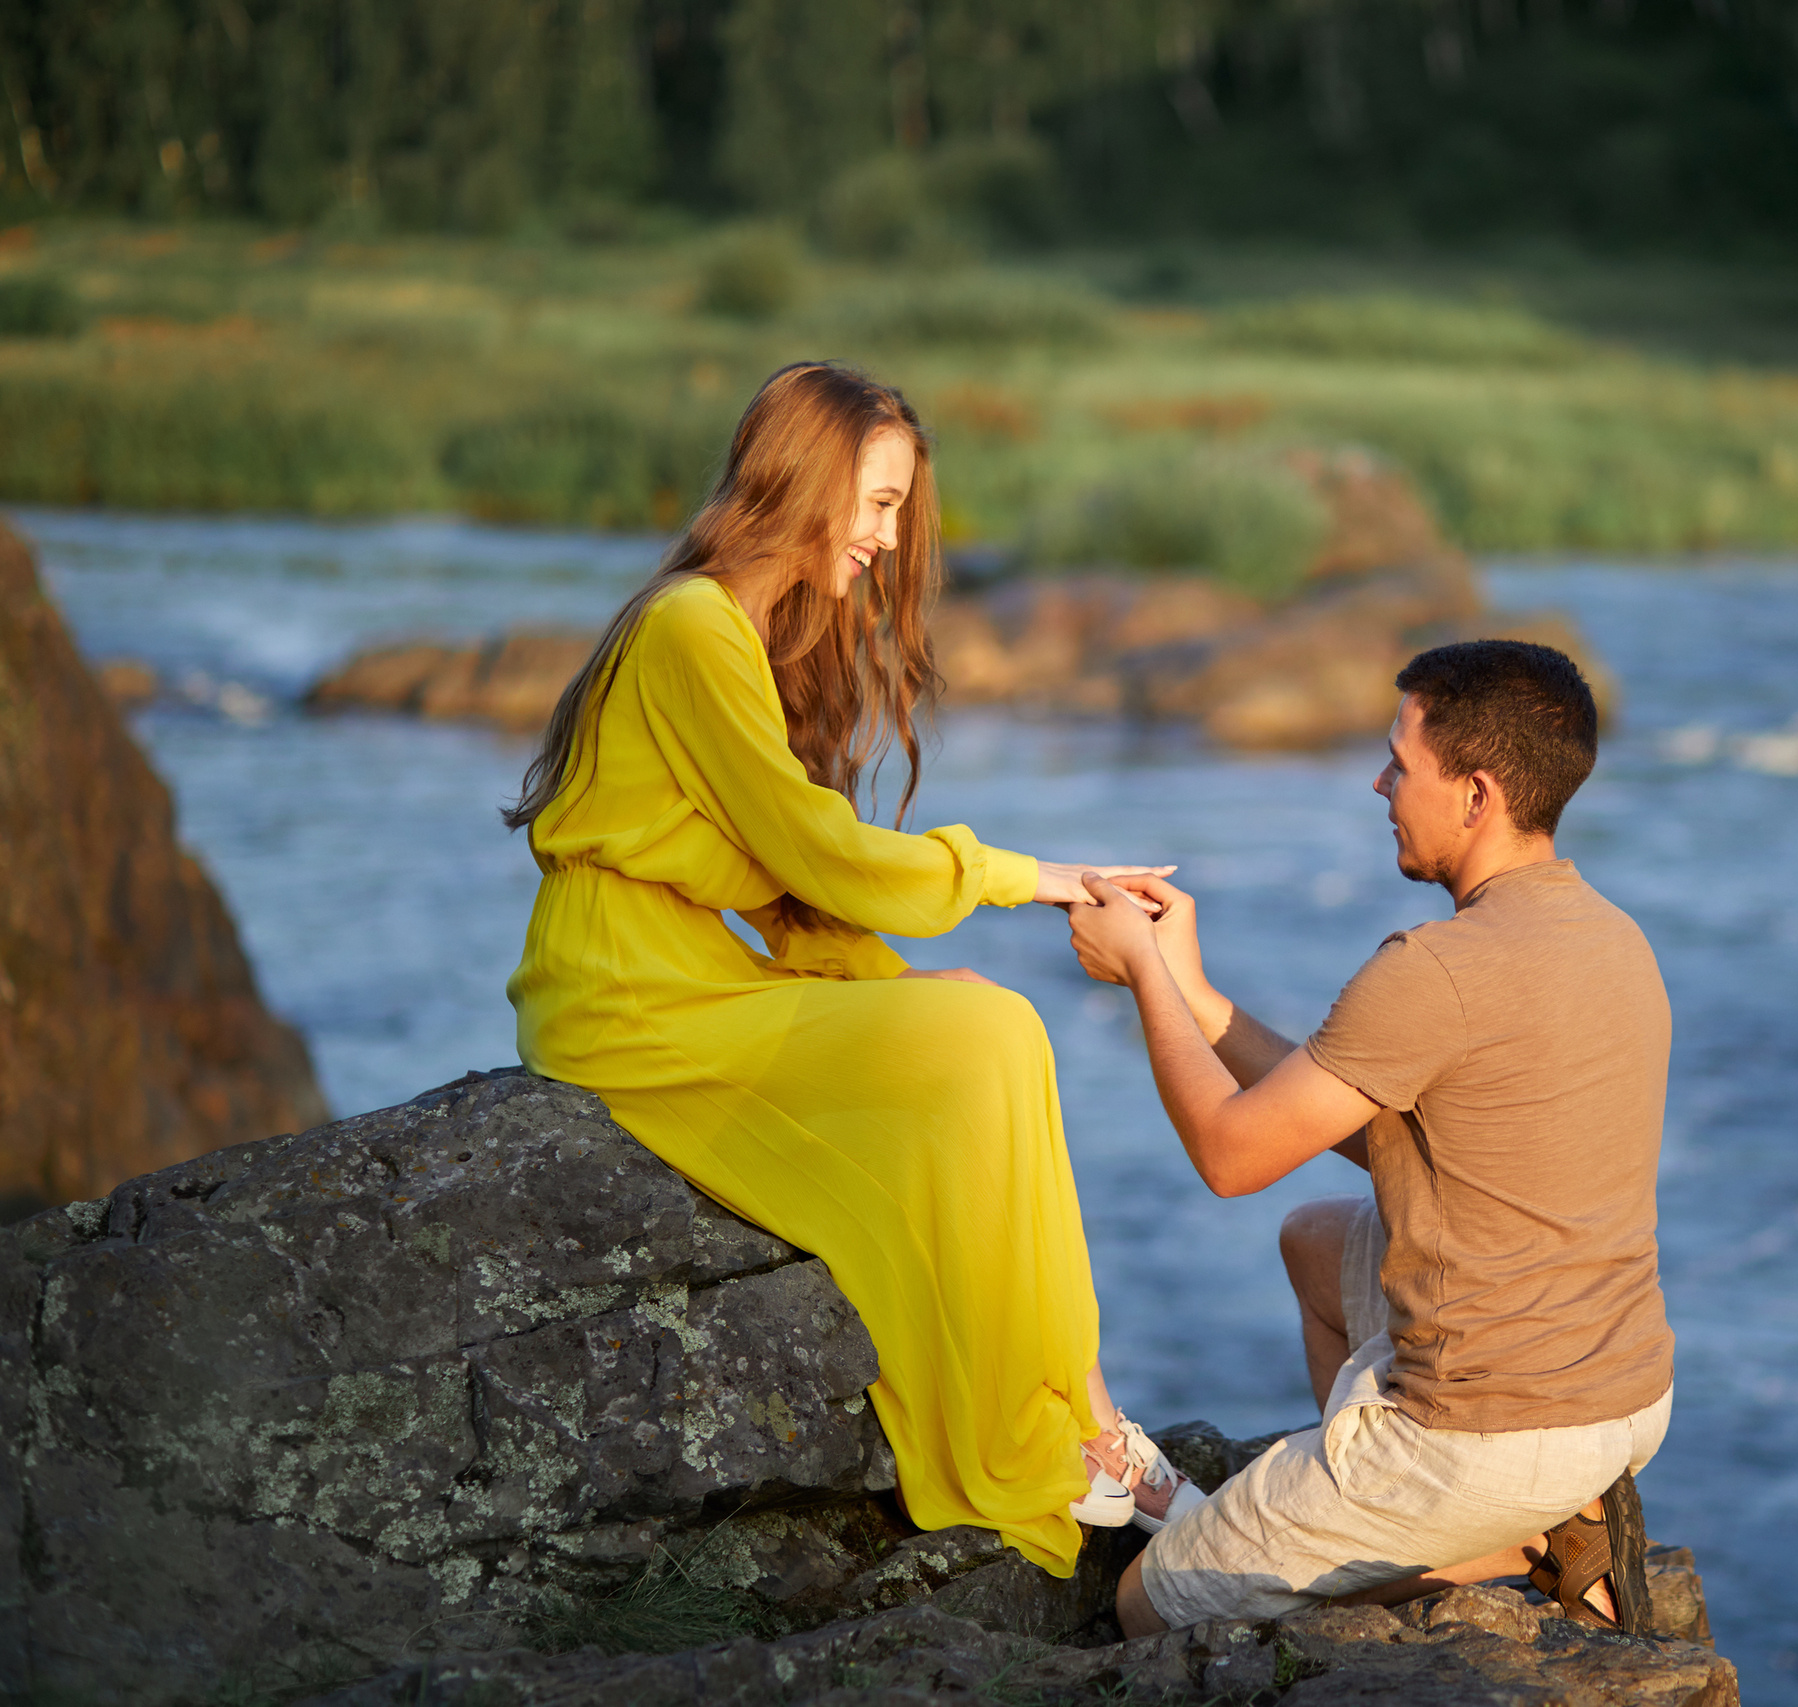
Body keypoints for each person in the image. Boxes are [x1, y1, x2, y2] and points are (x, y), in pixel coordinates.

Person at [503, 361, 1199, 1578]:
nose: (885, 536)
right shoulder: (689, 628)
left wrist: (896, 989)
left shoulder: (734, 631)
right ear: (803, 482)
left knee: (986, 1029)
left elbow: (788, 895)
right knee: (987, 1038)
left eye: (896, 509)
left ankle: (1080, 1411)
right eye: (876, 503)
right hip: (625, 996)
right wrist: (1025, 876)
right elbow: (819, 854)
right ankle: (1053, 1433)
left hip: (684, 975)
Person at [1068, 638, 1676, 1635]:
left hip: (1490, 1433)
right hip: (1623, 1401)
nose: (1380, 784)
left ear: (1475, 794)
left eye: (1401, 762)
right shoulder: (1613, 937)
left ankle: (1488, 1544)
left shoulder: (1436, 970)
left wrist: (1141, 975)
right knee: (1314, 1241)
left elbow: (1230, 1156)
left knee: (1149, 1603)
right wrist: (1196, 995)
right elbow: (1389, 1131)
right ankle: (1419, 1517)